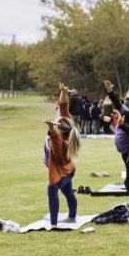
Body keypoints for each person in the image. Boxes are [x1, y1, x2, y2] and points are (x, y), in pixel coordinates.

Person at [43, 83, 81, 227]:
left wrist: (51, 129)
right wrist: (64, 92)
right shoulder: (66, 123)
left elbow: (56, 140)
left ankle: (53, 225)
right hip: (68, 170)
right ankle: (72, 217)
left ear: (59, 130)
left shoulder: (60, 142)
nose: (56, 117)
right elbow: (63, 105)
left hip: (60, 172)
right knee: (67, 191)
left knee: (52, 189)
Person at [104, 81, 129, 191]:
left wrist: (122, 125)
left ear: (128, 121)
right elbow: (117, 104)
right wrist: (110, 92)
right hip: (124, 147)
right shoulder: (126, 112)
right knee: (128, 165)